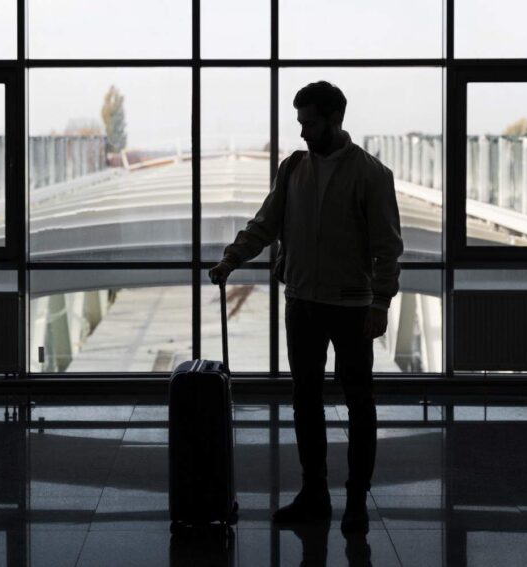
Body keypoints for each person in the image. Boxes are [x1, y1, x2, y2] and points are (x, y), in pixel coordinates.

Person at [208, 80, 403, 534]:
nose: (302, 132)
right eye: (300, 123)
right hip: (302, 301)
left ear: (334, 121)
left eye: (309, 123)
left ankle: (355, 499)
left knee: (358, 403)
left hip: (352, 306)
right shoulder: (293, 169)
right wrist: (233, 257)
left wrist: (381, 303)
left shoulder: (371, 175)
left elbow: (387, 248)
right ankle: (314, 493)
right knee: (306, 401)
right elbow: (267, 221)